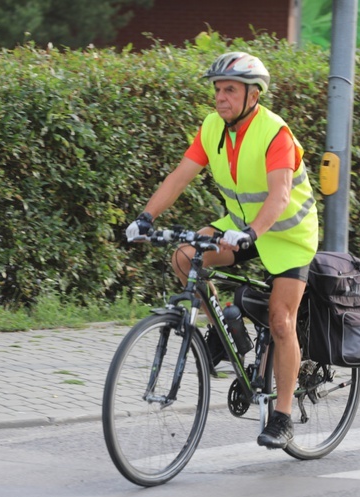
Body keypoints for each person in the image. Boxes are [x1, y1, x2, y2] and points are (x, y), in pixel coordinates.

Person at [125, 52, 318, 449]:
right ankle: (226, 330)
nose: (220, 97)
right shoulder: (212, 127)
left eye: (229, 89)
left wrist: (252, 233)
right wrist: (146, 216)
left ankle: (281, 416)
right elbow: (180, 176)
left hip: (288, 235)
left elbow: (280, 195)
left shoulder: (274, 133)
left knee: (282, 322)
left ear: (253, 94)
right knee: (185, 255)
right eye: (217, 89)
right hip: (241, 225)